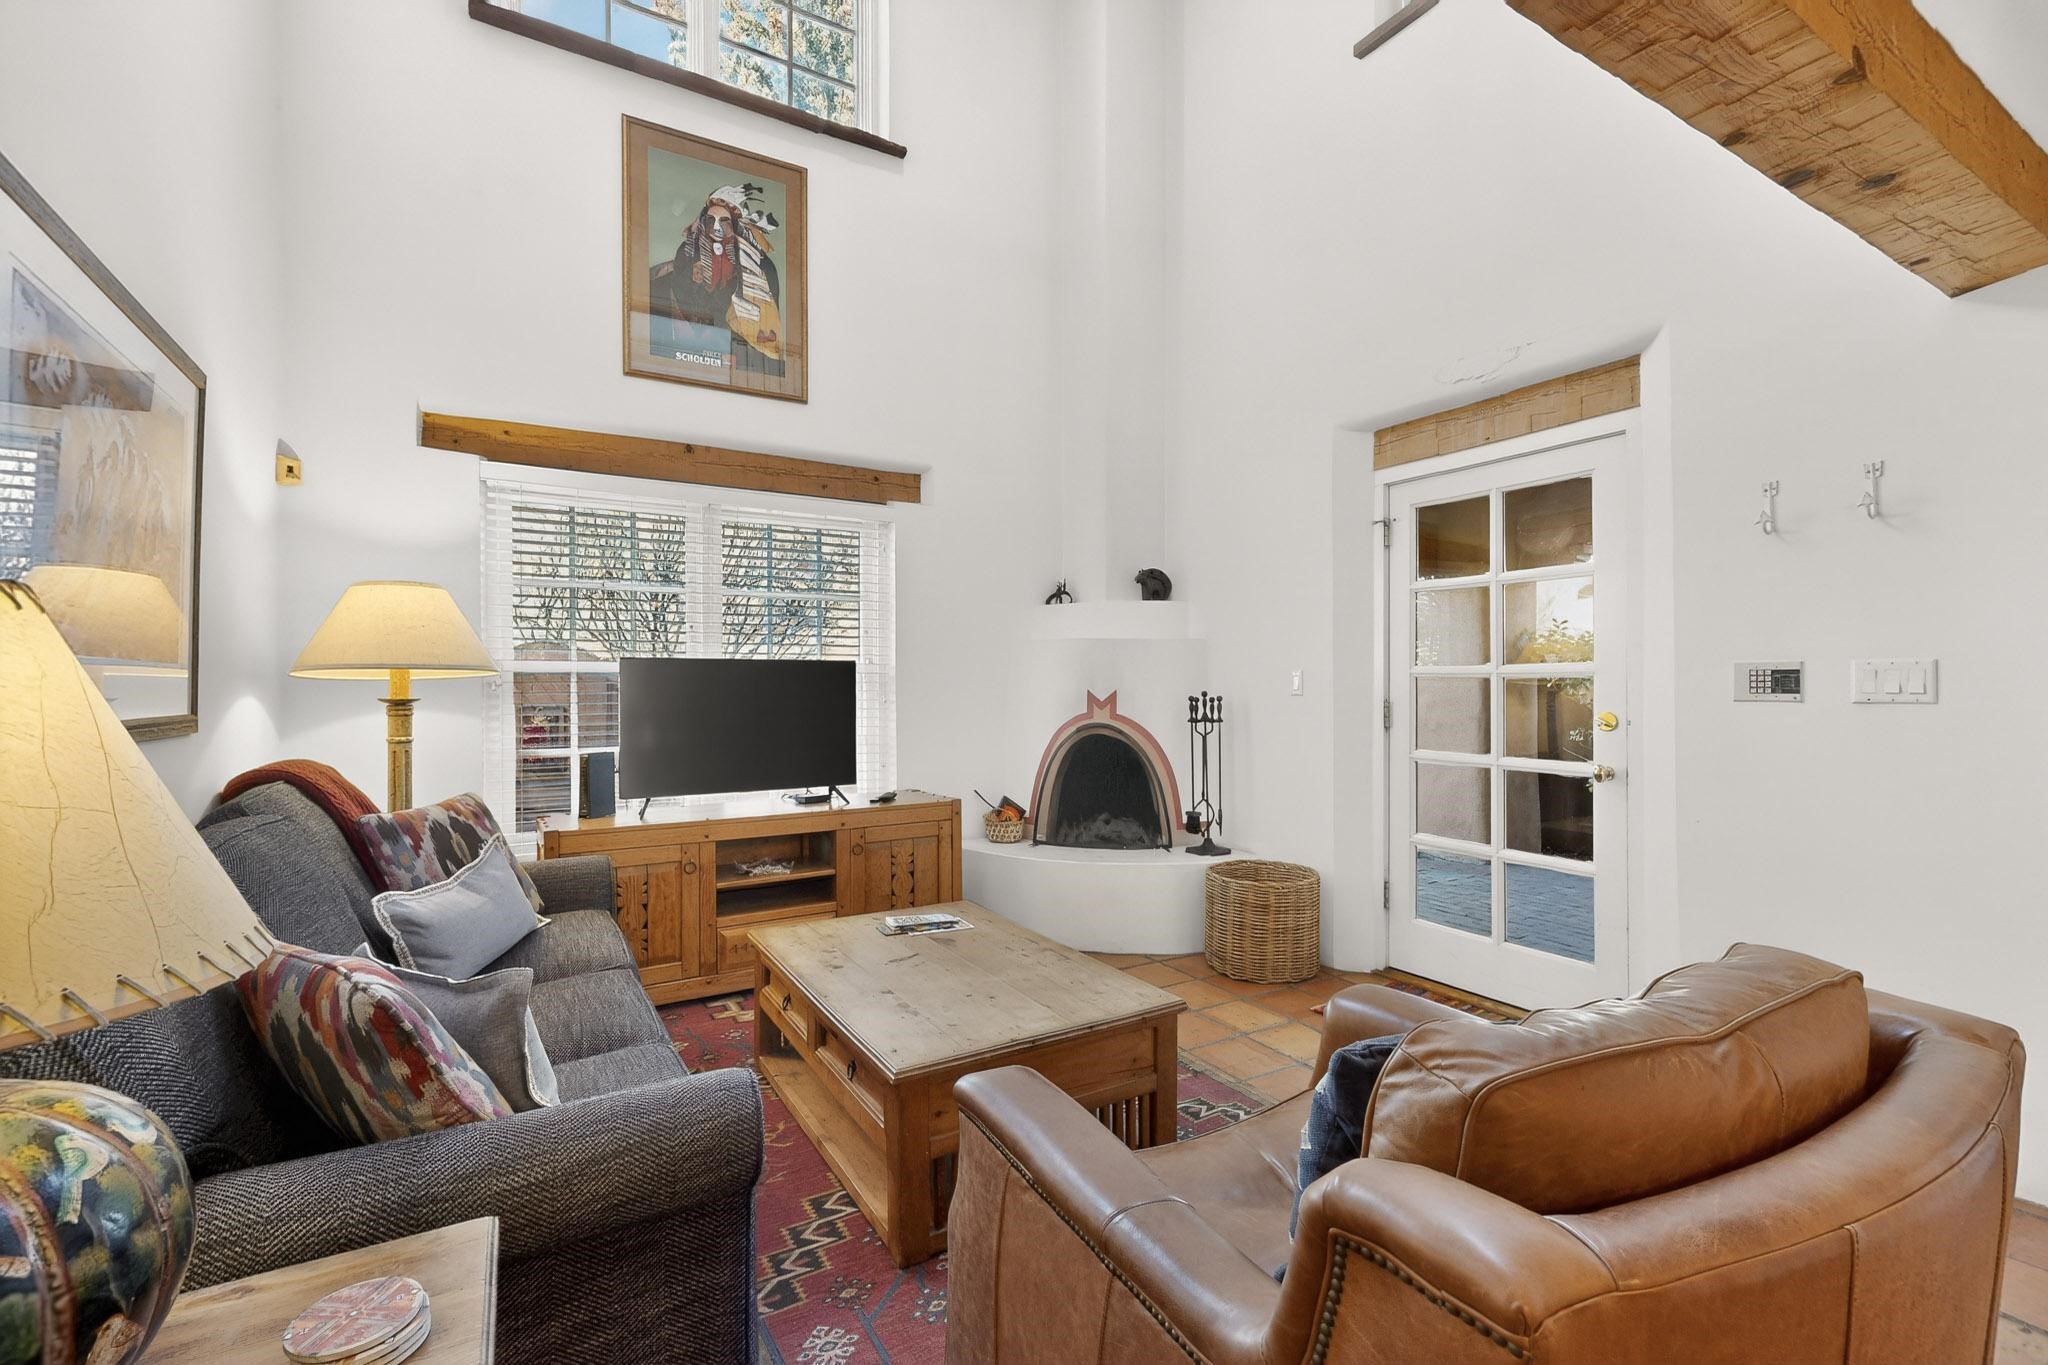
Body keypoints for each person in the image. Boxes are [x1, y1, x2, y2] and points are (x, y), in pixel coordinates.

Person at [649, 182, 786, 378]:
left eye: (724, 221)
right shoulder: (682, 260)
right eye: (710, 220)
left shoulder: (756, 272)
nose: (716, 227)